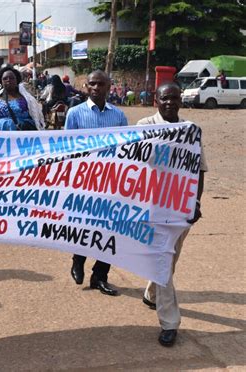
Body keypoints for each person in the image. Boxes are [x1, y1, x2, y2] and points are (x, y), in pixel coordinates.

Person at [137, 82, 208, 347]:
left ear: (181, 100)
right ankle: (170, 322)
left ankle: (151, 293)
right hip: (151, 208)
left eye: (174, 98)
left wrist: (195, 202)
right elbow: (127, 162)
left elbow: (199, 170)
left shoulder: (191, 131)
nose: (170, 103)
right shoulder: (144, 127)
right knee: (163, 258)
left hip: (180, 210)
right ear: (156, 100)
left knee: (170, 258)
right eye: (164, 98)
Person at [65, 70, 128, 296]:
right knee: (85, 224)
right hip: (83, 180)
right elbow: (67, 149)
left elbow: (126, 150)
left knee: (109, 229)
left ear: (109, 86)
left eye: (101, 84)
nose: (96, 88)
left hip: (111, 180)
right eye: (92, 83)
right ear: (86, 86)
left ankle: (100, 276)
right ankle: (78, 259)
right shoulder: (74, 113)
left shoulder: (119, 116)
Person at [0, 65, 44, 131]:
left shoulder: (29, 99)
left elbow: (37, 119)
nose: (8, 80)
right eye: (5, 78)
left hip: (21, 137)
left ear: (17, 80)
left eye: (12, 78)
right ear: (1, 81)